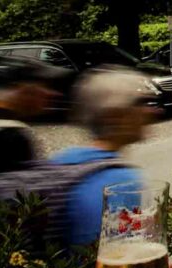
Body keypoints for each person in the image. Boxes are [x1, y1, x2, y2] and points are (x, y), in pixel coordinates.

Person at [49, 67, 157, 246]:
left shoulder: (63, 158)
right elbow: (119, 255)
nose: (153, 111)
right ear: (115, 115)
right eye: (140, 103)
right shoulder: (120, 182)